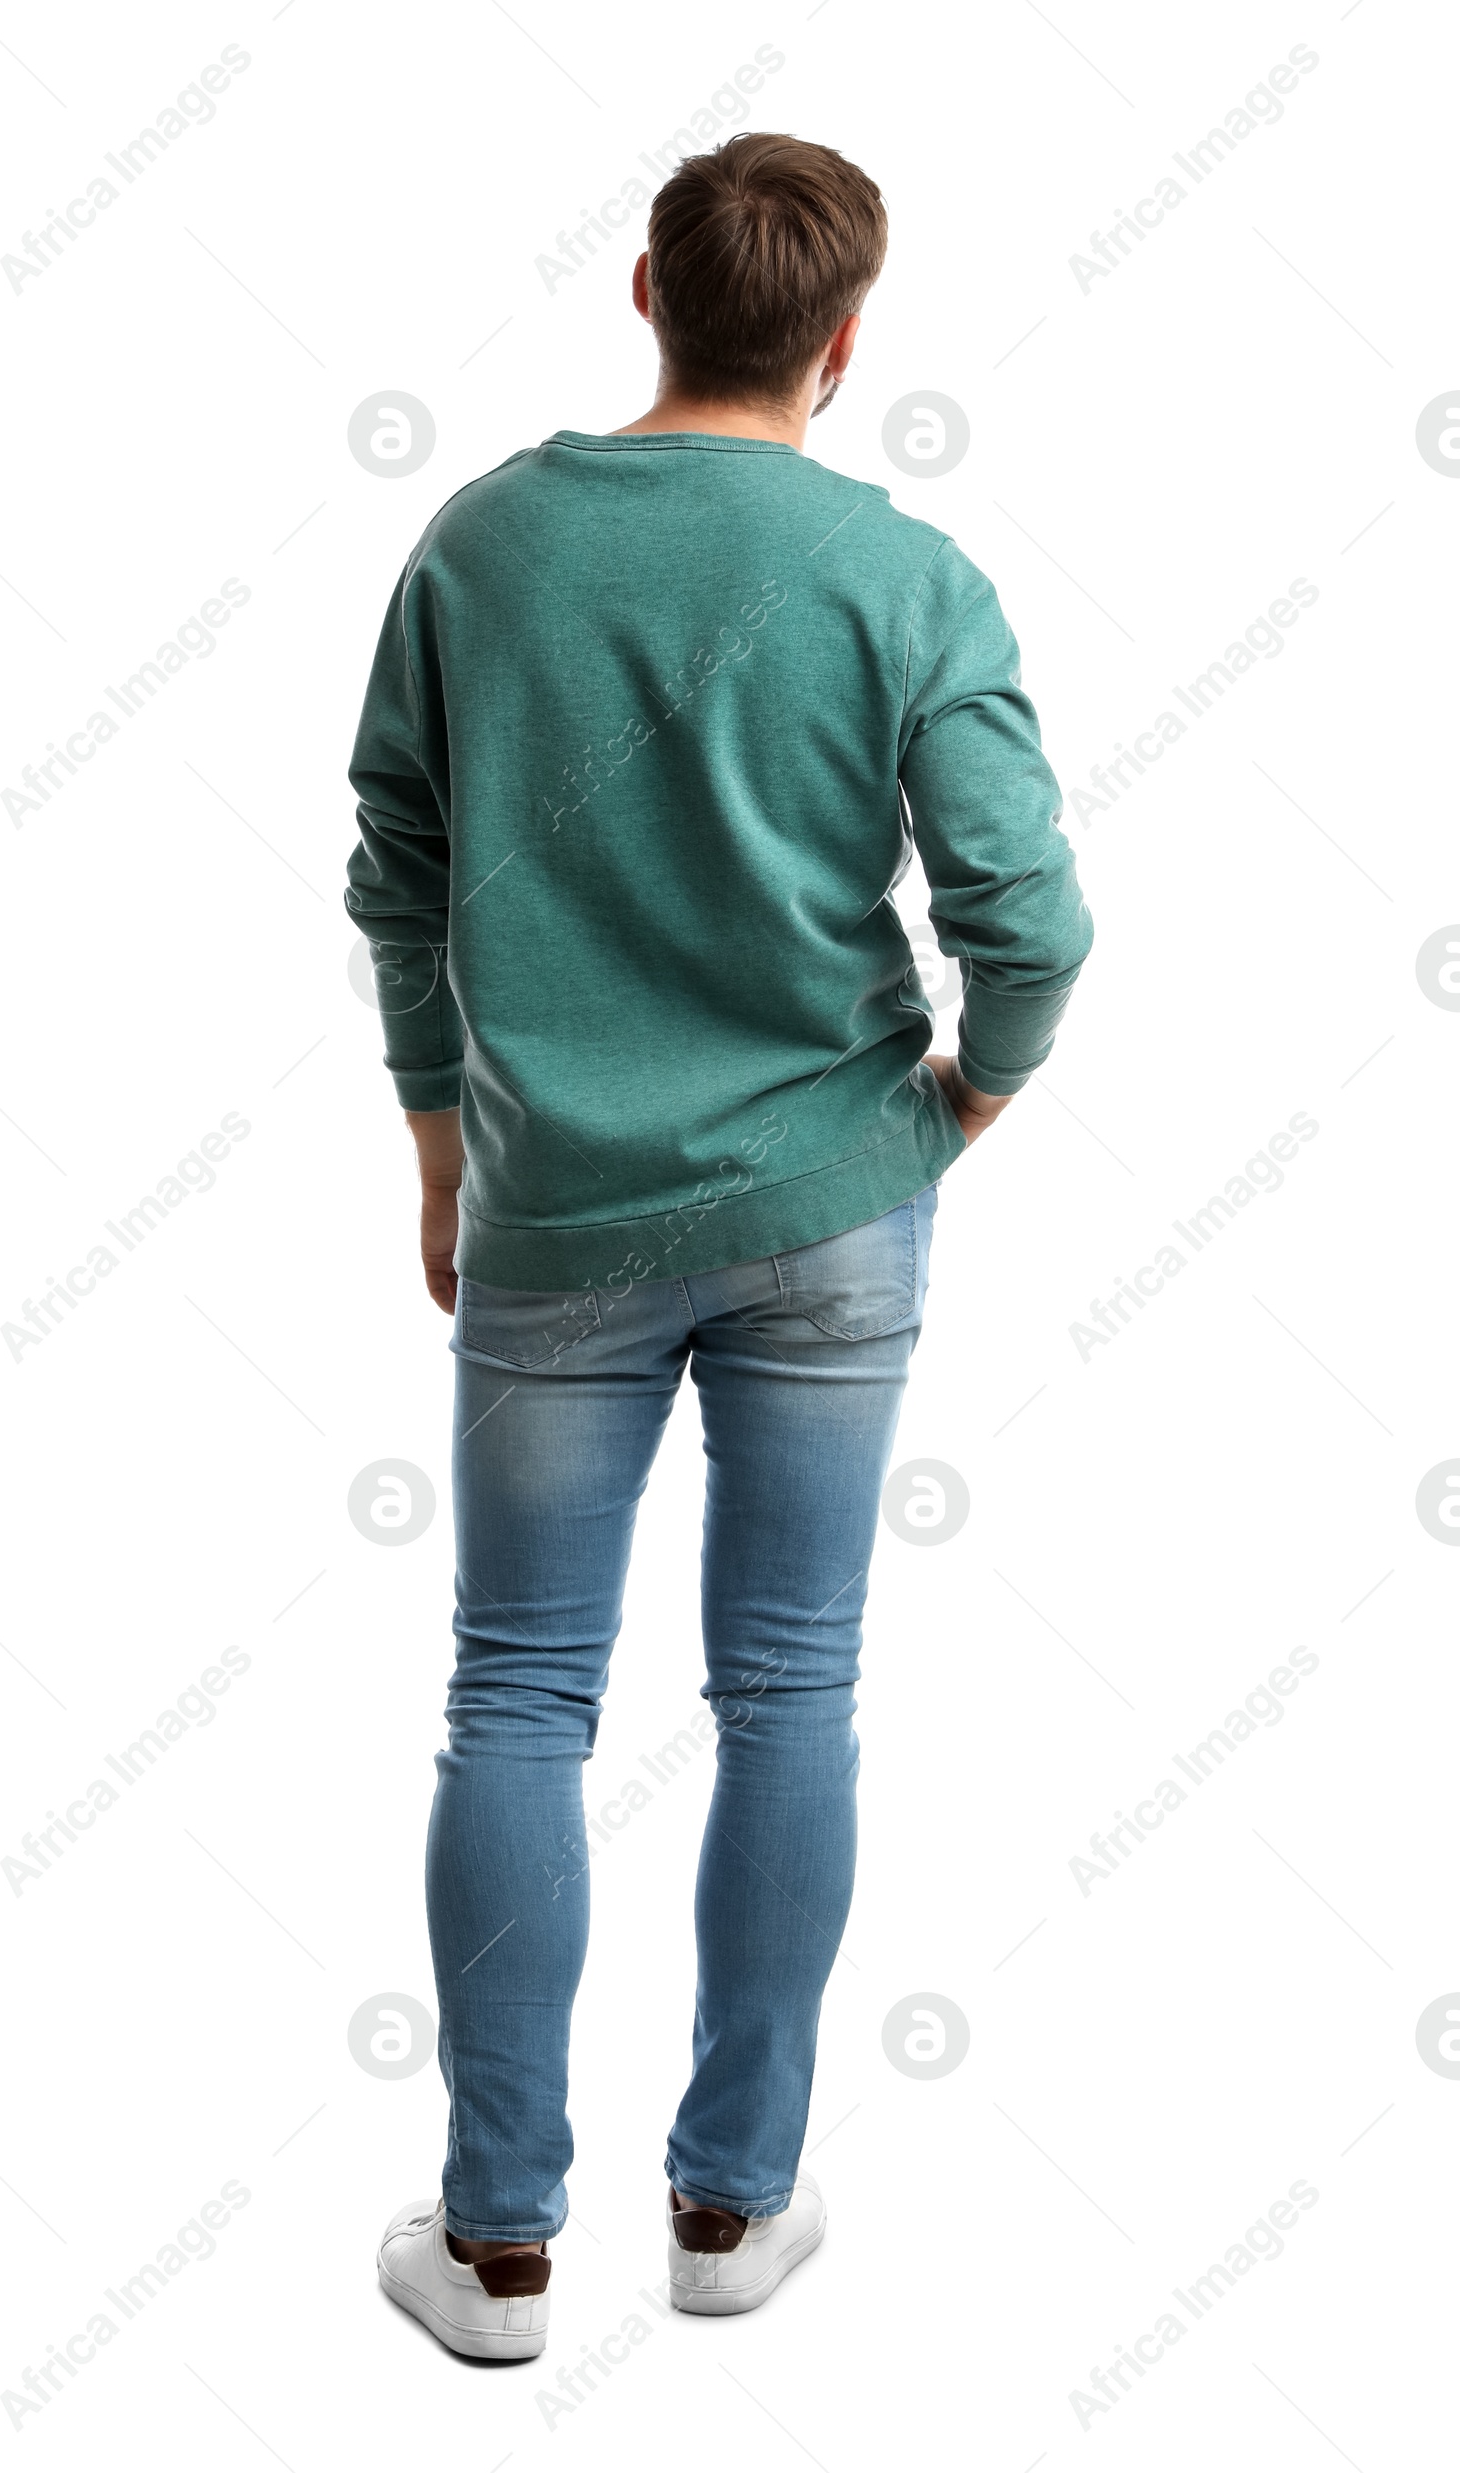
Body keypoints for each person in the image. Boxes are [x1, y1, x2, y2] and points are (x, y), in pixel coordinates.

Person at [347, 130, 1092, 2363]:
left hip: (552, 1210)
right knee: (787, 1693)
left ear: (644, 289)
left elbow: (396, 861)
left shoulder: (483, 542)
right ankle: (727, 2209)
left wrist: (433, 1137)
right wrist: (954, 1103)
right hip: (832, 1210)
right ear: (845, 340)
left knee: (513, 1699)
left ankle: (493, 2249)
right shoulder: (903, 572)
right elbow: (1027, 923)